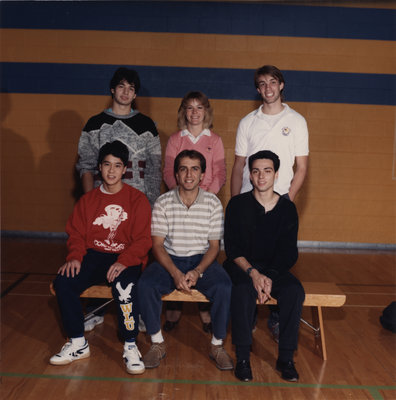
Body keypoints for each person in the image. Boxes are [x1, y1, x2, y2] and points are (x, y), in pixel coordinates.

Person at [50, 141, 152, 375]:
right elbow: (76, 234)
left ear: (124, 169)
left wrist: (124, 261)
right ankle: (77, 342)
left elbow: (143, 240)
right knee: (63, 282)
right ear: (99, 167)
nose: (112, 171)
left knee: (124, 287)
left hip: (125, 256)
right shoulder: (88, 201)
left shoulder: (137, 200)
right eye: (107, 165)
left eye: (117, 165)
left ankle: (130, 345)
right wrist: (75, 257)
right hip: (93, 255)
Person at [76, 67, 161, 331]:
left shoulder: (147, 125)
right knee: (98, 251)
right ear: (112, 89)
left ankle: (140, 311)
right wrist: (92, 199)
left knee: (137, 256)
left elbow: (155, 170)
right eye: (121, 86)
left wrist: (151, 203)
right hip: (104, 204)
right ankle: (93, 308)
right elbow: (86, 165)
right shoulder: (94, 124)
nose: (126, 92)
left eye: (131, 88)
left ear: (135, 93)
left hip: (138, 205)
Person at [230, 65, 309, 341]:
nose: (268, 88)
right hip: (250, 203)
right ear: (257, 89)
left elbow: (301, 167)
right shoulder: (247, 122)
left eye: (272, 82)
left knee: (279, 261)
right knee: (247, 259)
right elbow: (239, 164)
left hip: (279, 201)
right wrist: (235, 202)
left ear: (282, 85)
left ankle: (277, 317)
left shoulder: (297, 121)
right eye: (262, 84)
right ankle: (247, 314)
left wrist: (288, 200)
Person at [138, 149, 233, 371]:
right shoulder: (163, 202)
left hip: (202, 260)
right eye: (183, 169)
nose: (189, 175)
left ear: (202, 175)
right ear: (176, 175)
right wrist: (174, 272)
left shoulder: (213, 203)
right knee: (145, 284)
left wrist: (198, 271)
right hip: (170, 259)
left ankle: (217, 346)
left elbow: (214, 247)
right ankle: (157, 343)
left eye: (195, 169)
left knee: (224, 286)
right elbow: (158, 245)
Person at [224, 150, 305, 382]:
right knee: (242, 290)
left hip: (273, 270)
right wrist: (253, 273)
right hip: (242, 267)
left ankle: (286, 358)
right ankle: (242, 358)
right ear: (249, 175)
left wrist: (267, 275)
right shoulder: (237, 205)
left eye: (267, 171)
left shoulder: (287, 208)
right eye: (256, 171)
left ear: (276, 175)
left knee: (294, 291)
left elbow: (289, 253)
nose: (261, 176)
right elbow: (232, 250)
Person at [162, 91, 226, 333]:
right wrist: (181, 196)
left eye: (199, 107)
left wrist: (204, 197)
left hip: (206, 204)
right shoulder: (176, 139)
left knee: (205, 250)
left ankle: (204, 307)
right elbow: (169, 172)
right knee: (177, 249)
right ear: (183, 112)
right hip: (179, 203)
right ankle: (175, 303)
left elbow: (220, 174)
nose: (195, 112)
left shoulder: (215, 140)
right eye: (189, 107)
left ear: (206, 111)